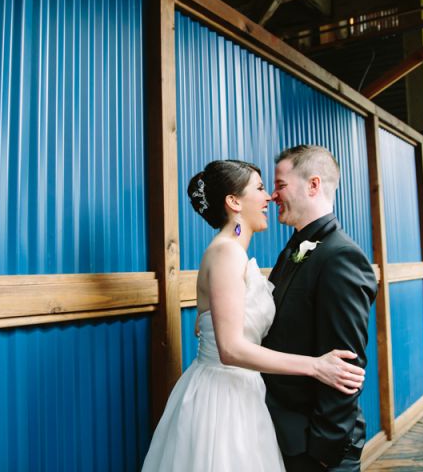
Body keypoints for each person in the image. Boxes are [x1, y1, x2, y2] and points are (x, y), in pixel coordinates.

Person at [142, 159, 366, 471]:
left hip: (247, 395)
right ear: (234, 202)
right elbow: (231, 349)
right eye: (260, 188)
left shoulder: (233, 250)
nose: (269, 197)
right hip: (222, 402)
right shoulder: (226, 253)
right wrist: (315, 366)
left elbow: (203, 326)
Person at [262, 146, 377, 471]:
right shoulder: (293, 251)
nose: (273, 195)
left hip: (316, 447)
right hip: (284, 433)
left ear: (313, 185)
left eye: (281, 185)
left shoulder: (341, 257)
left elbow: (346, 365)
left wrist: (324, 451)